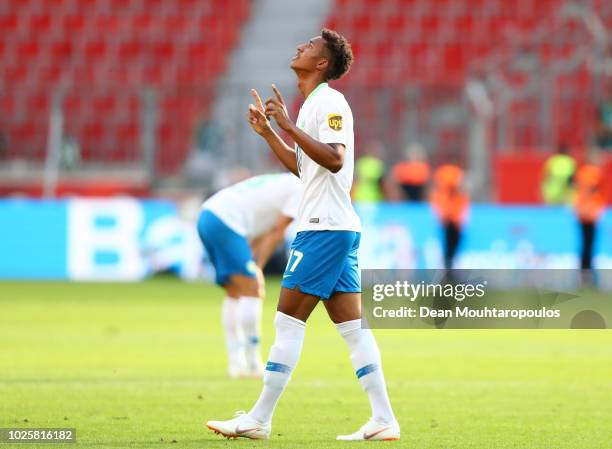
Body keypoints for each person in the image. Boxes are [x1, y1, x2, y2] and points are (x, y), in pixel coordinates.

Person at [206, 29, 399, 441]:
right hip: (334, 227)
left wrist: (288, 126)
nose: (300, 47)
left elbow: (333, 159)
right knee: (353, 330)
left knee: (287, 322)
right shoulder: (313, 104)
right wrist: (270, 133)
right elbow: (304, 168)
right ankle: (383, 418)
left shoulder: (330, 102)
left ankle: (259, 417)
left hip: (323, 229)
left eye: (309, 46)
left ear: (322, 63)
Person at [198, 173, 302, 378]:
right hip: (224, 221)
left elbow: (262, 229)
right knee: (253, 289)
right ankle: (253, 363)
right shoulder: (303, 187)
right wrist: (258, 268)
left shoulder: (285, 181)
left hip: (210, 215)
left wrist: (253, 263)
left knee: (235, 291)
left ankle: (236, 362)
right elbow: (277, 230)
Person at [430, 164, 469, 269]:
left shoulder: (458, 196)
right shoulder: (445, 195)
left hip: (455, 224)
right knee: (449, 248)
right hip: (449, 223)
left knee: (452, 249)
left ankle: (450, 271)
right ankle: (448, 272)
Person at [573, 164, 606, 272]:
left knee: (586, 244)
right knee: (588, 245)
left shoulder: (581, 173)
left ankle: (585, 269)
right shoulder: (594, 173)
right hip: (590, 215)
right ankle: (586, 270)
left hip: (583, 213)